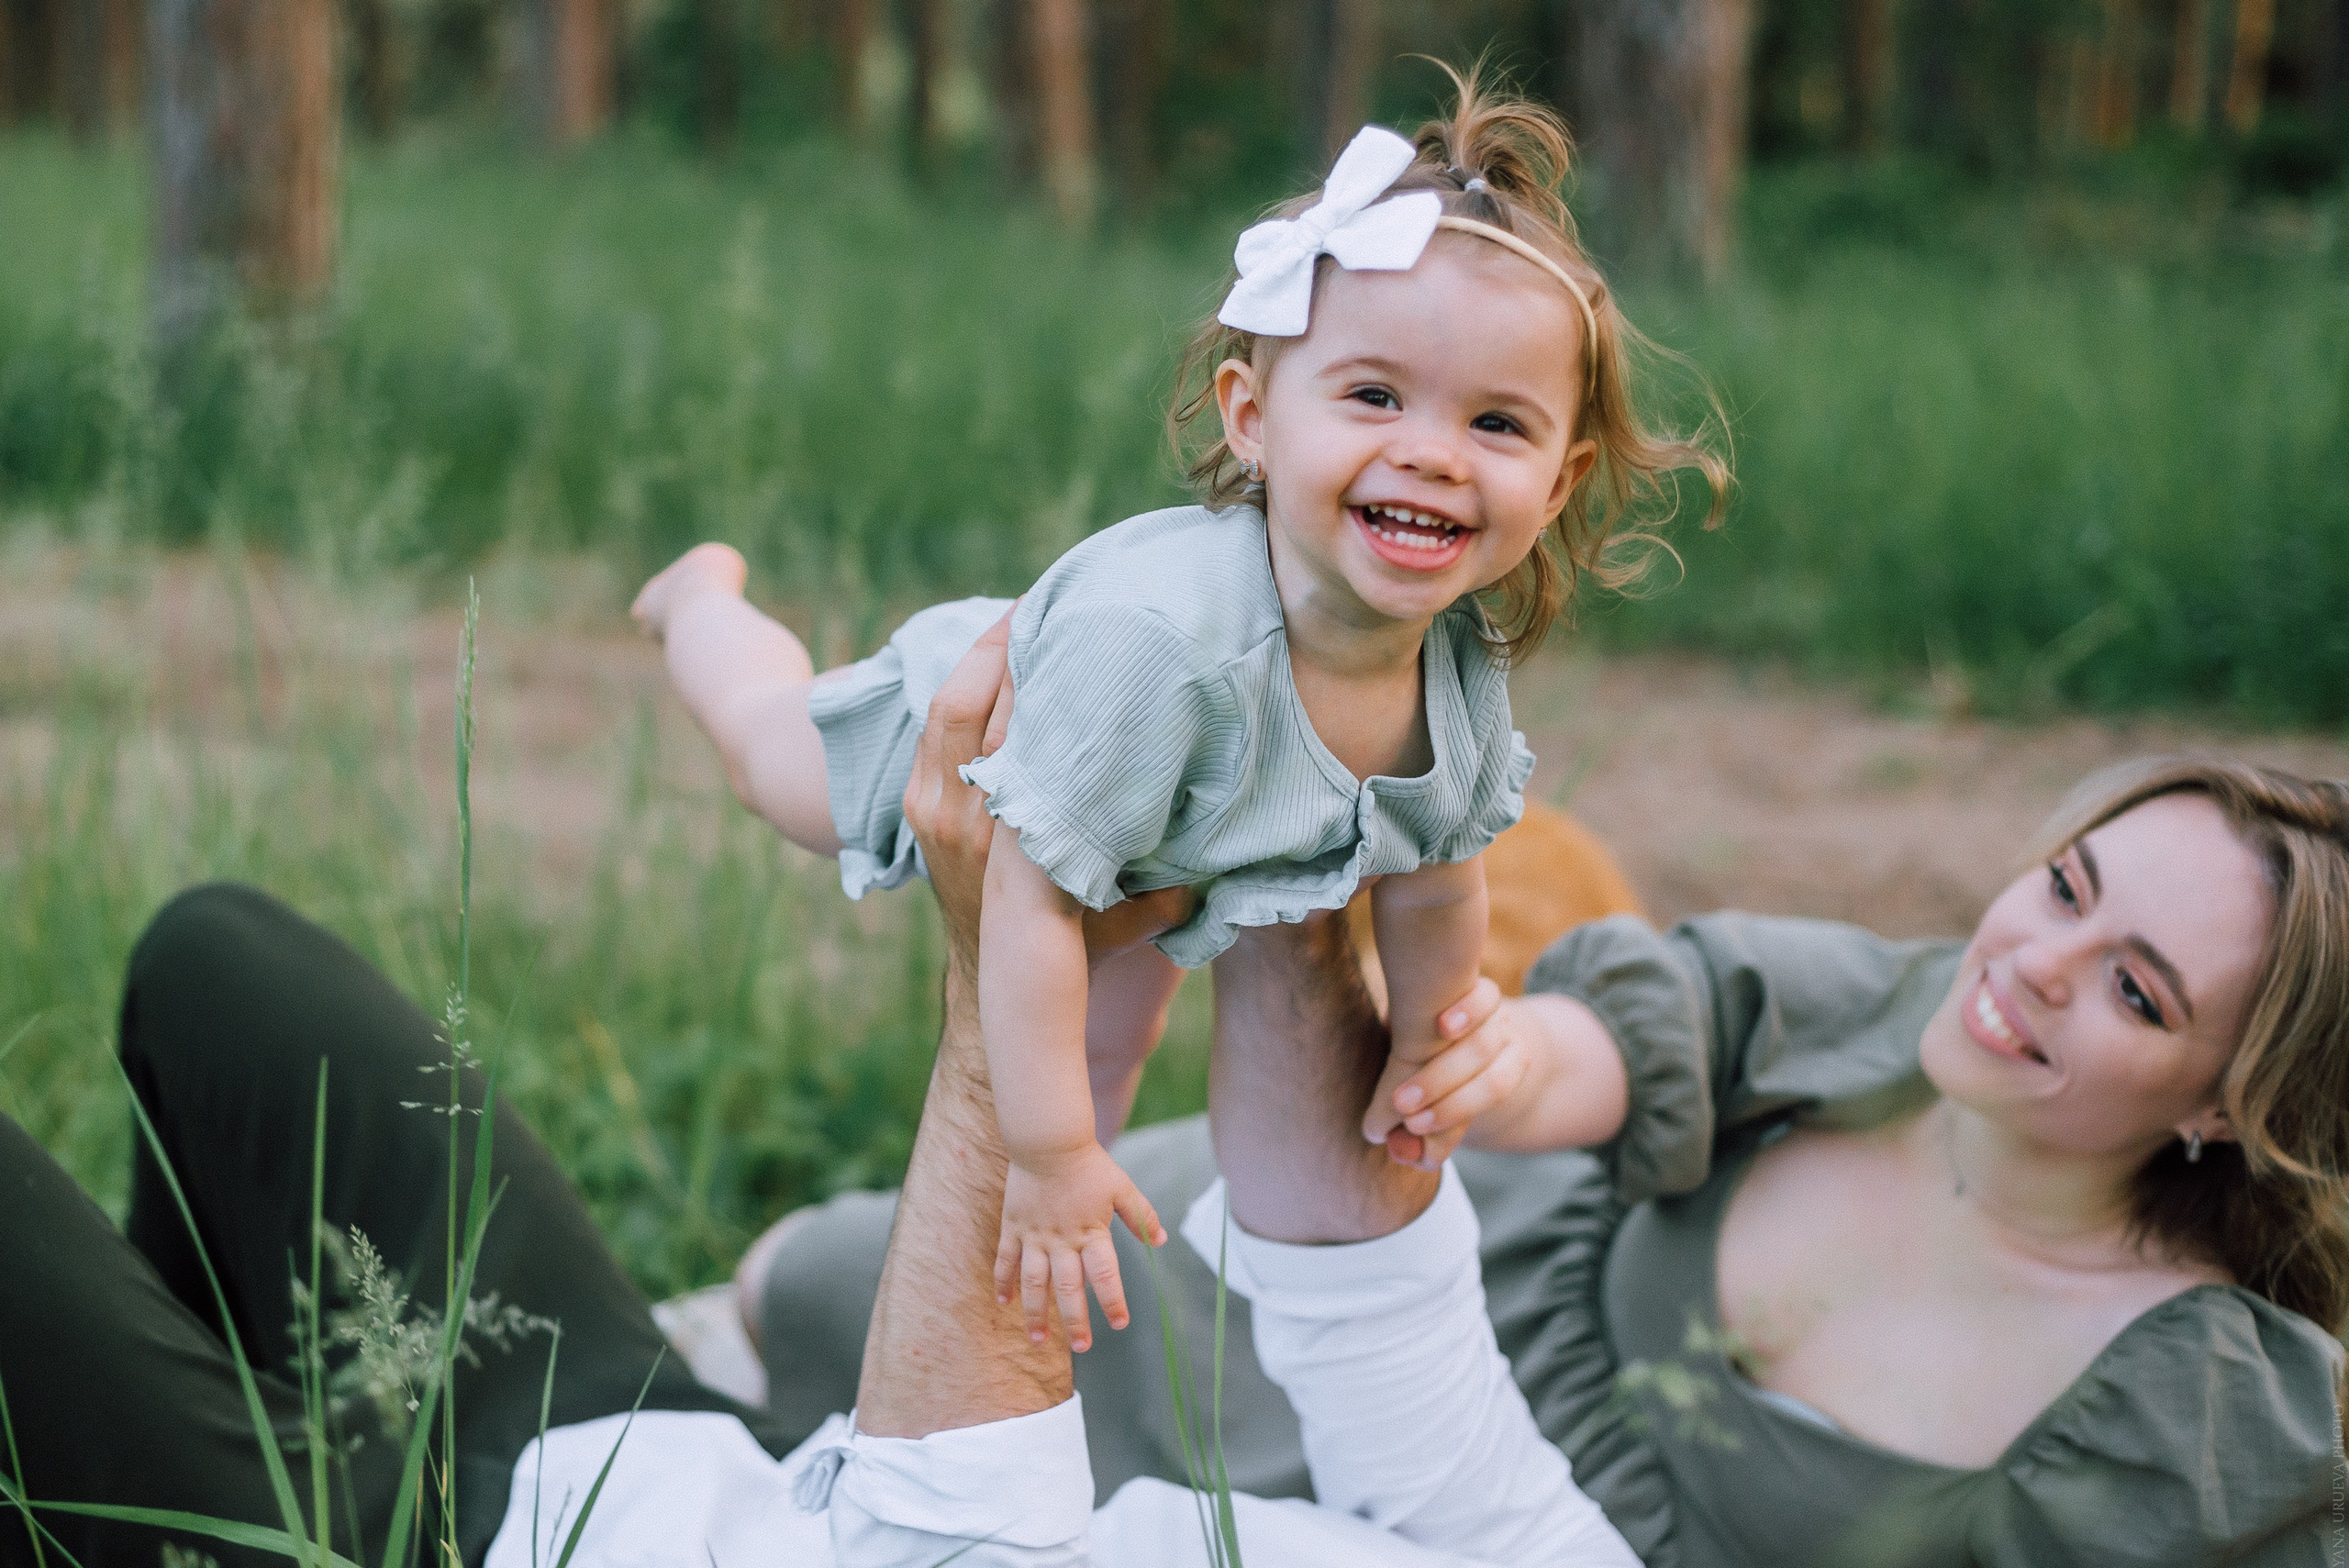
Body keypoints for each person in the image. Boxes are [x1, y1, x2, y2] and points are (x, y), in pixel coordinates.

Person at [0, 618, 1636, 1568]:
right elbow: (1373, 1318)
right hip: (688, 1463)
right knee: (221, 966)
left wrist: (1007, 977)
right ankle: (220, 1470)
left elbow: (937, 1548)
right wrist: (1320, 789)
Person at [629, 68, 1727, 1348]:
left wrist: (1435, 1032)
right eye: (1373, 396)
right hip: (1023, 742)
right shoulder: (1163, 651)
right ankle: (699, 603)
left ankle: (1050, 1222)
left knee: (1120, 1024)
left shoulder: (1457, 668)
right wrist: (1043, 1150)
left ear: (1560, 478)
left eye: (1496, 420)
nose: (1432, 449)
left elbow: (1438, 876)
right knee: (778, 751)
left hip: (1173, 827)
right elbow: (1026, 899)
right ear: (1254, 419)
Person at [755, 753, 2349, 1566]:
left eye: (2137, 987)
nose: (2036, 962)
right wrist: (1502, 1066)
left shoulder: (2193, 1408)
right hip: (1385, 1273)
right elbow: (1624, 1046)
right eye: (2065, 884)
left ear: (2233, 1100)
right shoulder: (1905, 1013)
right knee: (828, 1281)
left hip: (1483, 1527)